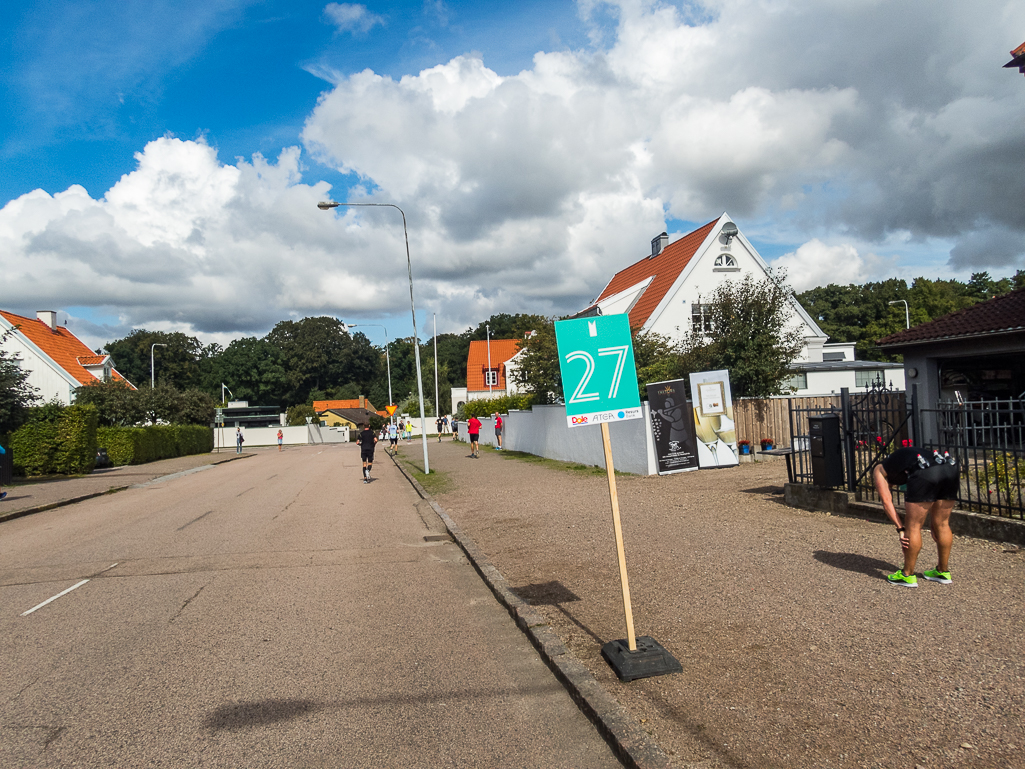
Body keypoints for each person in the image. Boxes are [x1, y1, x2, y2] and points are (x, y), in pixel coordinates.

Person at [872, 446, 959, 588]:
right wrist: (933, 523)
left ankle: (907, 575)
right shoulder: (901, 459)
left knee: (913, 526)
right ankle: (943, 572)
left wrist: (900, 529)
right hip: (949, 468)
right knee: (942, 523)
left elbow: (887, 502)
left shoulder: (879, 470)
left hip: (924, 472)